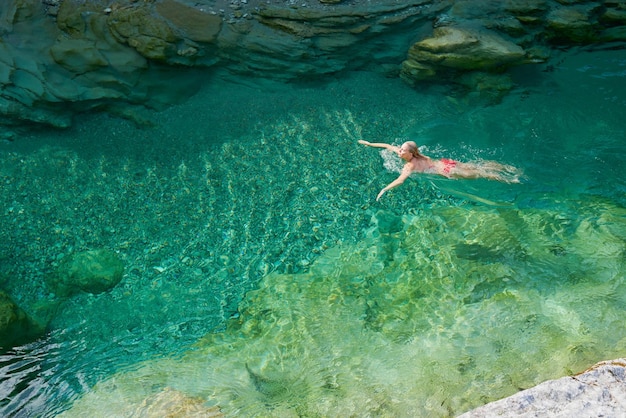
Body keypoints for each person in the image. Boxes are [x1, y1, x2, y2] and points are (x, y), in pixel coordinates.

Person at [358, 140, 521, 201]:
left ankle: (511, 179)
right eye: (400, 149)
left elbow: (400, 180)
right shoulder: (416, 154)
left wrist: (384, 189)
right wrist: (369, 143)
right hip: (446, 162)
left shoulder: (410, 165)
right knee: (476, 165)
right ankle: (507, 168)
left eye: (402, 150)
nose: (399, 151)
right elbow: (387, 146)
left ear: (411, 153)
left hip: (447, 172)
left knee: (480, 174)